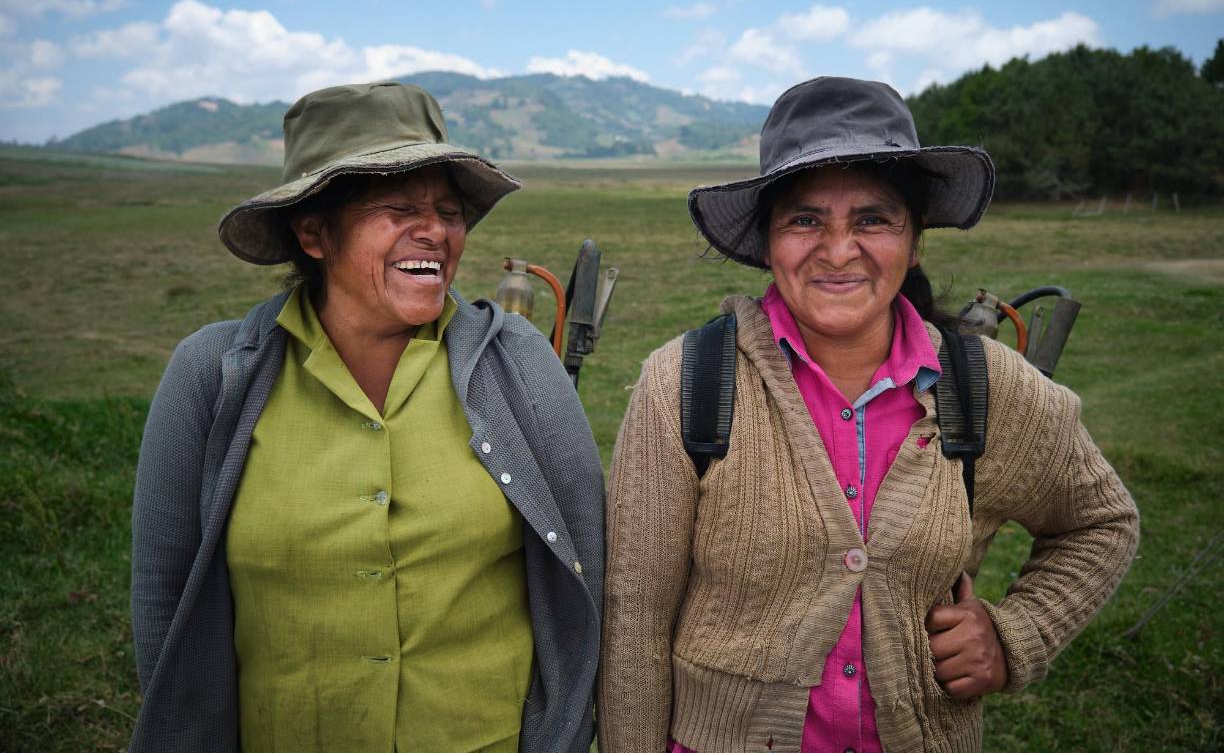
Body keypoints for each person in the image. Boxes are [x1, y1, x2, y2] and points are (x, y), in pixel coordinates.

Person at [597, 77, 1138, 753]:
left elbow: (1102, 522)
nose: (838, 248)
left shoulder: (985, 386)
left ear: (915, 243)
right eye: (804, 219)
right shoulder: (685, 381)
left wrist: (1014, 634)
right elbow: (634, 622)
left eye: (873, 219)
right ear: (767, 242)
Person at [129, 81, 604, 753]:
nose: (435, 231)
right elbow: (162, 594)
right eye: (399, 208)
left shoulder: (518, 361)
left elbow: (589, 565)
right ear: (314, 232)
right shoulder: (212, 375)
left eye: (448, 209)